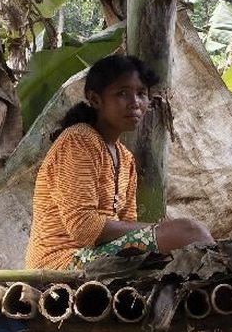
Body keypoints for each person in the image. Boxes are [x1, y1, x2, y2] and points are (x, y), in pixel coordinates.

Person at [26, 55, 214, 270]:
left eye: (141, 94)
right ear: (95, 99)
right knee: (190, 232)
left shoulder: (125, 158)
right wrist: (161, 231)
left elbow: (128, 223)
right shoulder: (78, 140)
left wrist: (160, 234)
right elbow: (83, 227)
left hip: (101, 255)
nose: (135, 103)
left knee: (186, 243)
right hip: (62, 261)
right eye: (122, 94)